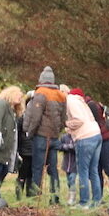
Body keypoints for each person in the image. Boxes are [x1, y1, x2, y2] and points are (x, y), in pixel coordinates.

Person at [23, 66, 66, 202]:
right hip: (54, 137)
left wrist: (30, 133)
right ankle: (55, 198)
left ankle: (36, 198)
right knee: (53, 170)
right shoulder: (61, 95)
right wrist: (57, 131)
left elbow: (36, 117)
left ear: (41, 79)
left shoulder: (40, 93)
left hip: (41, 137)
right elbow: (64, 119)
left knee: (37, 168)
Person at [64, 87, 102, 208]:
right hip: (96, 134)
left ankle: (84, 202)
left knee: (83, 171)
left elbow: (78, 120)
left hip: (85, 137)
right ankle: (96, 201)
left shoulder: (70, 100)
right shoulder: (81, 101)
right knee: (93, 170)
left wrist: (67, 124)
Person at [83, 92, 109, 202]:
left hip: (105, 139)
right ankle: (100, 196)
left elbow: (94, 122)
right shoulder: (94, 104)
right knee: (98, 169)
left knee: (106, 169)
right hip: (102, 139)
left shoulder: (90, 106)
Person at [15, 91, 35, 199]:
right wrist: (17, 150)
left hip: (31, 150)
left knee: (30, 174)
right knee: (23, 174)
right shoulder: (22, 118)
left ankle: (29, 194)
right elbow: (17, 135)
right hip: (25, 151)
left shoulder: (26, 117)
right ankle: (19, 194)